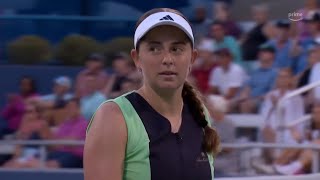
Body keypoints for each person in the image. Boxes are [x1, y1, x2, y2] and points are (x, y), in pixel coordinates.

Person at [84, 8, 220, 180]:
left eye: (176, 49)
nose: (167, 59)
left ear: (192, 58)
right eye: (155, 49)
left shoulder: (200, 114)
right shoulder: (113, 117)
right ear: (137, 58)